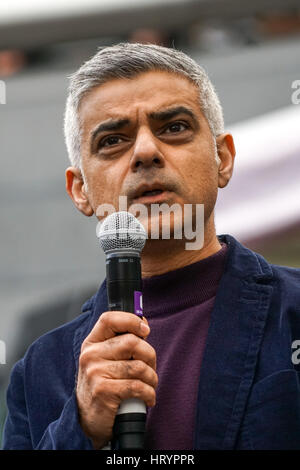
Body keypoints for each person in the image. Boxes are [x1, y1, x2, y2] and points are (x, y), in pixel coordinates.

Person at [2, 43, 300, 450]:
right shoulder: (40, 370)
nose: (145, 152)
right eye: (112, 140)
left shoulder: (294, 314)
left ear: (223, 159)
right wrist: (80, 428)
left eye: (174, 127)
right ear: (80, 191)